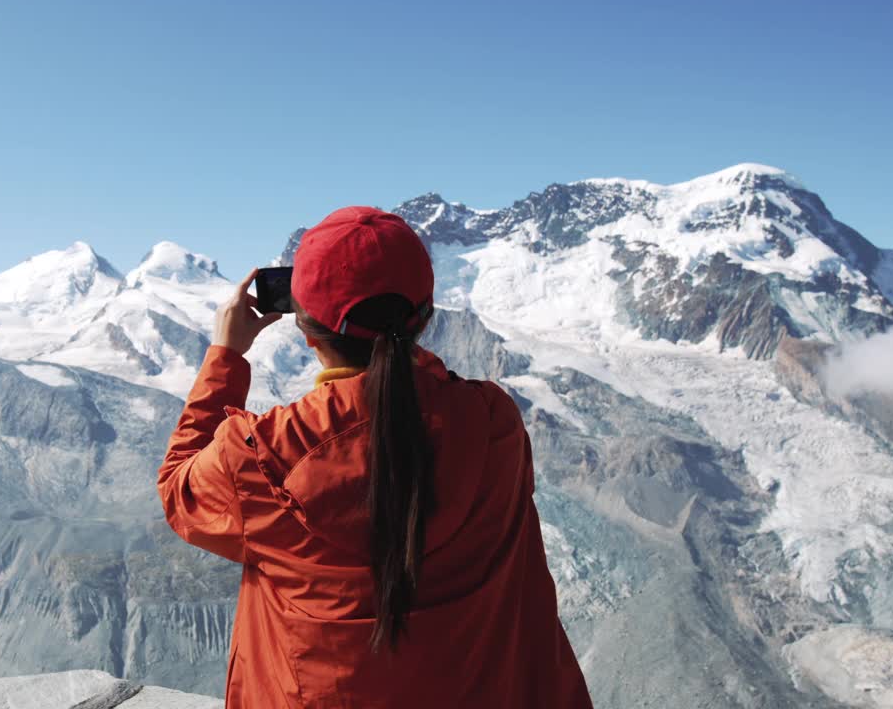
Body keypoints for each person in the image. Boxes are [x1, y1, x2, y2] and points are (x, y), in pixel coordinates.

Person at [158, 206, 593, 708]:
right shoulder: (494, 422)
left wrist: (226, 356)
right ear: (426, 318)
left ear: (305, 329)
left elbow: (178, 490)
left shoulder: (261, 456)